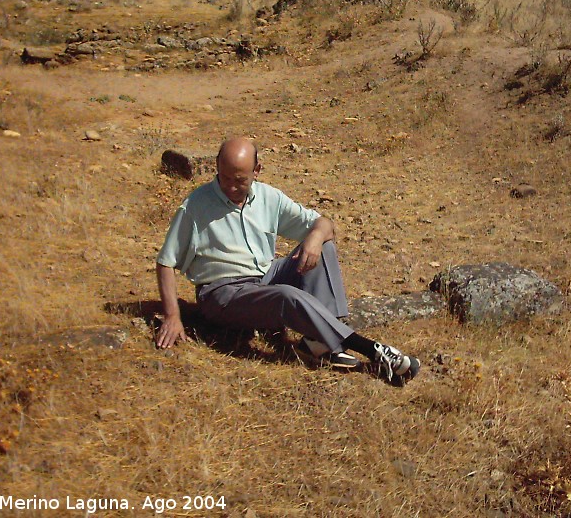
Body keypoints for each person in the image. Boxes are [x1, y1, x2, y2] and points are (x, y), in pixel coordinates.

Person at [154, 137, 420, 383]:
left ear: (257, 171)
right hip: (223, 294)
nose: (232, 187)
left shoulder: (269, 197)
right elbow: (166, 261)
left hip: (264, 278)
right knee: (286, 296)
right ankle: (371, 349)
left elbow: (323, 224)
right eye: (225, 178)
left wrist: (315, 238)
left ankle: (320, 343)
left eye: (240, 180)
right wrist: (172, 316)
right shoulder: (196, 205)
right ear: (216, 167)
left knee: (323, 246)